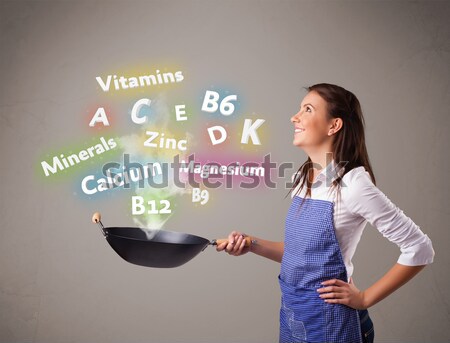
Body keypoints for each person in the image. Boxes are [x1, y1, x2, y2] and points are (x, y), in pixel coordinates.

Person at [216, 83, 435, 343]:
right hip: (295, 317)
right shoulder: (306, 177)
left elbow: (420, 248)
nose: (294, 117)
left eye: (307, 109)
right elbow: (303, 255)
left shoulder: (353, 184)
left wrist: (364, 298)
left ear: (334, 126)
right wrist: (251, 244)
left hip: (333, 325)